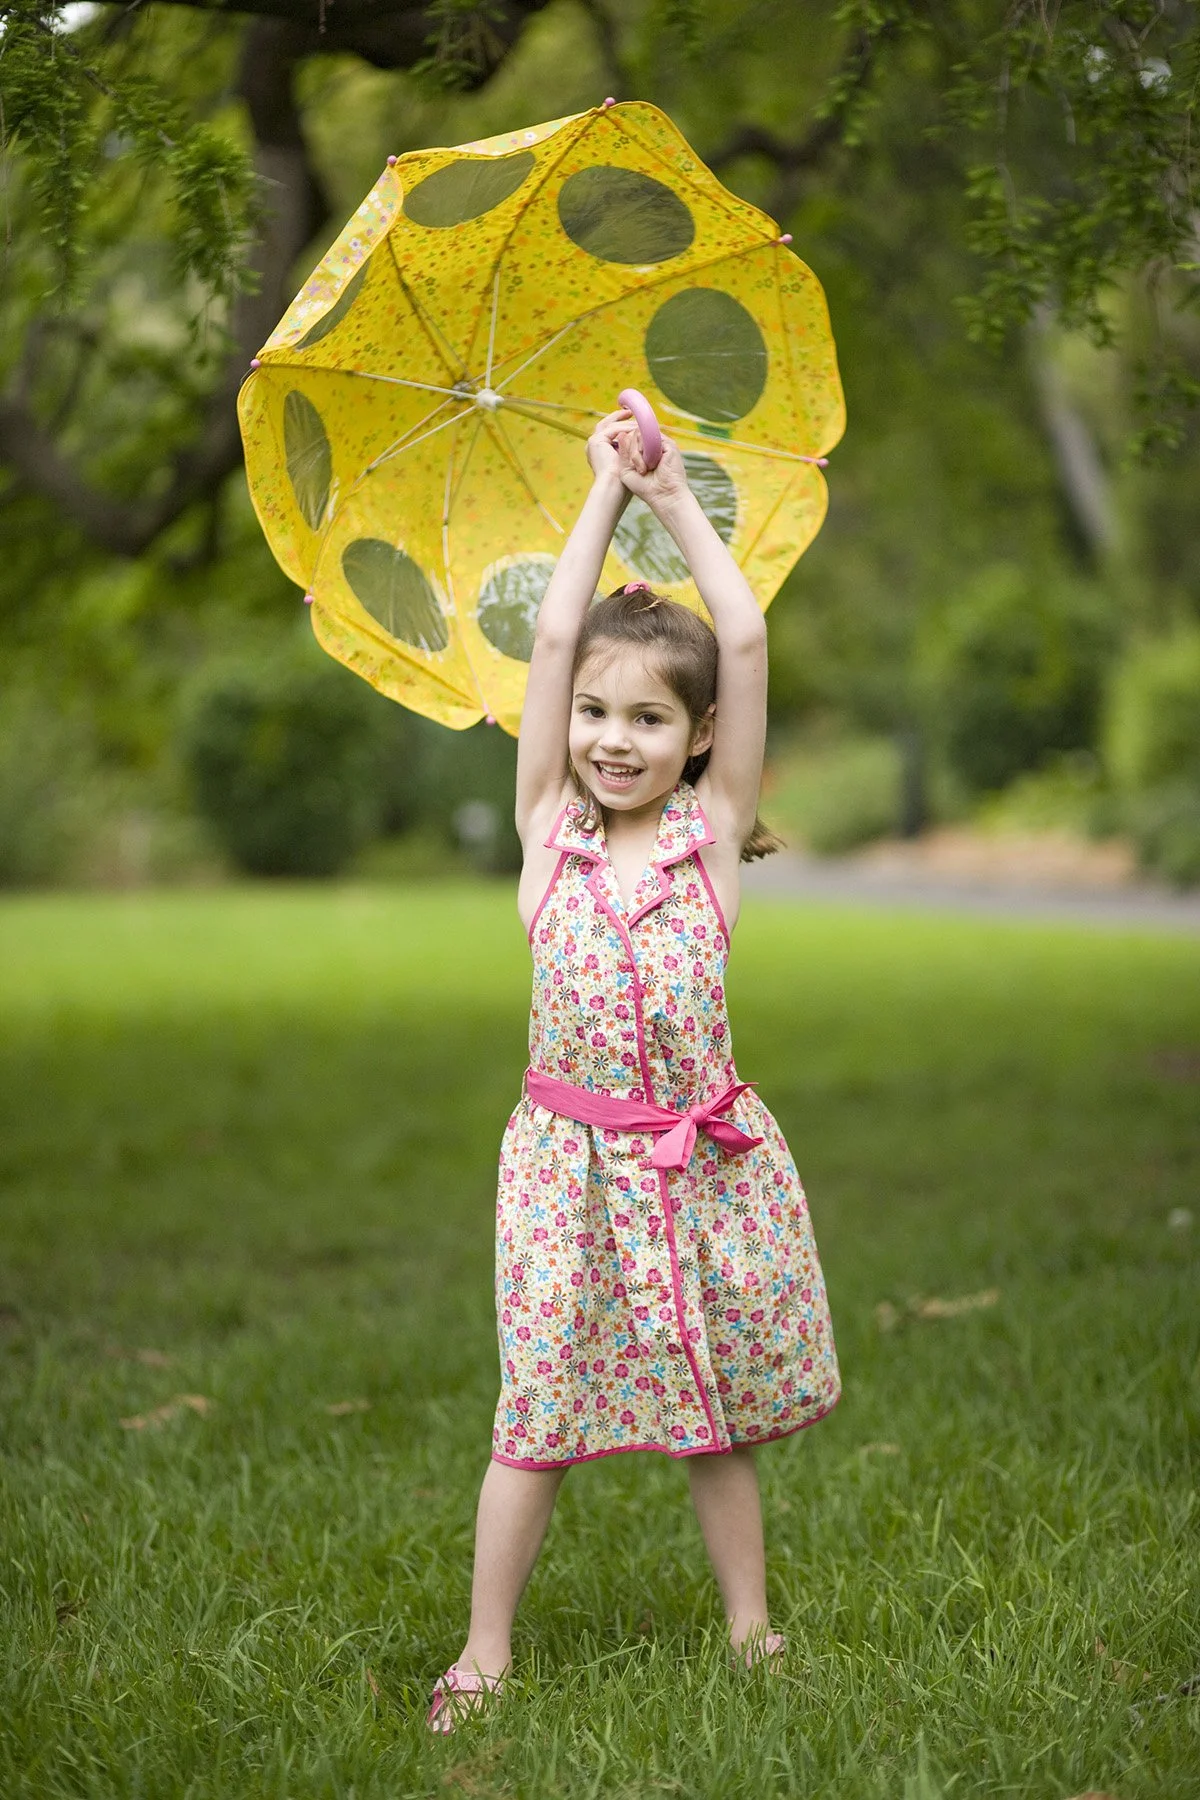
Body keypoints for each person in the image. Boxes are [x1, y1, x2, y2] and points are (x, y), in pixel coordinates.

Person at [426, 409, 840, 1733]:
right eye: (598, 714)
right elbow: (552, 642)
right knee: (534, 1409)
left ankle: (750, 1628)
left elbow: (751, 636)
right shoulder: (548, 836)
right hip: (563, 1173)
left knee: (707, 1413)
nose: (612, 737)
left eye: (649, 718)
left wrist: (674, 503)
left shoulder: (705, 845)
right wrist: (600, 491)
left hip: (695, 1163)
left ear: (703, 739)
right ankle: (486, 1650)